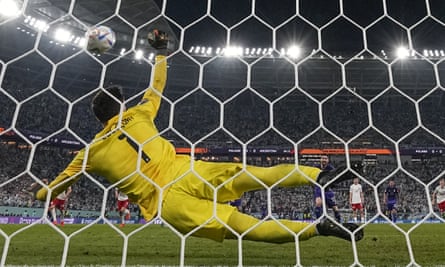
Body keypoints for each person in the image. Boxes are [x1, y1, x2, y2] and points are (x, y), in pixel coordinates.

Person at [25, 29, 363, 244]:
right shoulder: (138, 113)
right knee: (257, 176)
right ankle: (323, 175)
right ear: (120, 105)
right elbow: (156, 86)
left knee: (243, 226)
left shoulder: (90, 151)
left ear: (99, 118)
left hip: (168, 204)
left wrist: (38, 191)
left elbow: (50, 191)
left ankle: (318, 229)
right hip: (188, 169)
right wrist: (160, 52)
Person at [313, 155, 341, 222]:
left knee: (335, 207)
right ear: (320, 159)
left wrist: (332, 184)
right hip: (318, 187)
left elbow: (335, 178)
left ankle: (338, 220)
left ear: (328, 160)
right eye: (322, 158)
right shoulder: (316, 168)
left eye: (325, 159)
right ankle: (318, 221)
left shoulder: (331, 169)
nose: (324, 160)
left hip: (327, 188)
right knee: (318, 202)